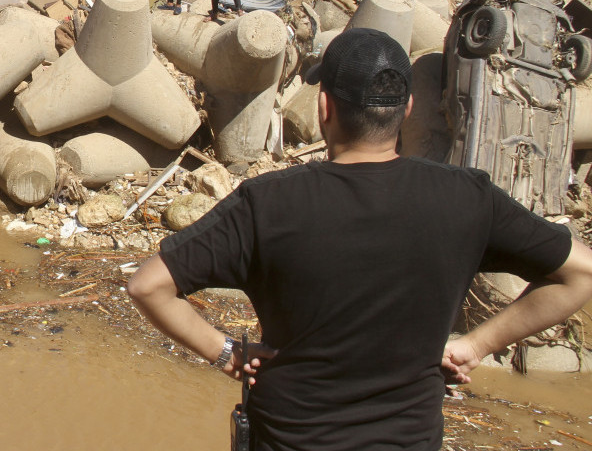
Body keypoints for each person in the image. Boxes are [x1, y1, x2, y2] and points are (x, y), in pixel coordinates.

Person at [128, 27, 592, 450]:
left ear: (324, 107)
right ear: (407, 109)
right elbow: (580, 273)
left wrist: (225, 351)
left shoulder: (268, 203)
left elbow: (148, 285)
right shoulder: (468, 197)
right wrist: (476, 345)